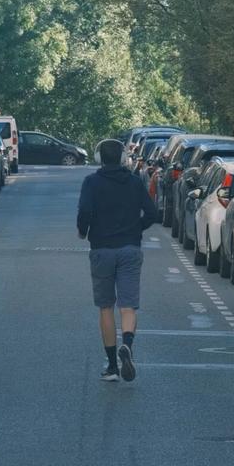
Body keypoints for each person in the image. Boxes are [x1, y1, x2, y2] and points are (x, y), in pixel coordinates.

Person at [77, 138, 158, 382]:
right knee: (128, 305)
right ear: (123, 158)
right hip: (130, 249)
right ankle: (128, 345)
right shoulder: (134, 182)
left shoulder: (91, 182)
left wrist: (84, 231)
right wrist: (137, 228)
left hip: (102, 248)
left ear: (99, 158)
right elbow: (153, 213)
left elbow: (84, 212)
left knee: (105, 307)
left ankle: (112, 366)